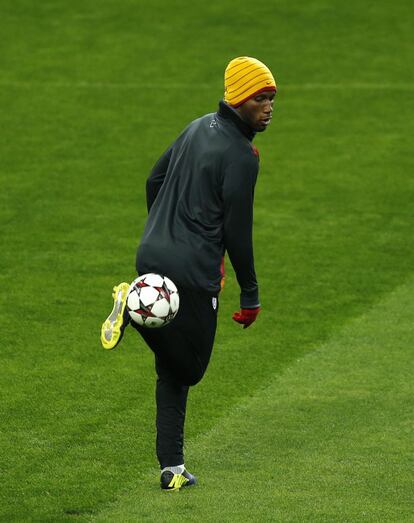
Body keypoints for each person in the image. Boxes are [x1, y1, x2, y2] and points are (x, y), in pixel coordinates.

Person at [100, 56, 277, 491]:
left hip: (153, 255)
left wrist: (163, 233)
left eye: (272, 98)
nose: (269, 107)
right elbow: (237, 232)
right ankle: (134, 312)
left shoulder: (198, 126)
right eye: (260, 98)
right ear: (238, 99)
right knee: (193, 368)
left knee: (172, 372)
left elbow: (152, 180)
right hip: (194, 271)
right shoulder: (241, 156)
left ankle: (172, 468)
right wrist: (250, 294)